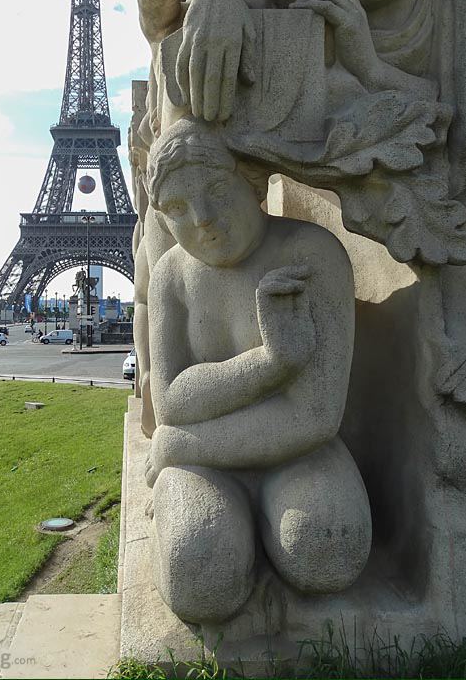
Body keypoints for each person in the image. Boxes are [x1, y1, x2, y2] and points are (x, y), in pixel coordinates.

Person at [144, 118, 371, 623]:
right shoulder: (172, 277)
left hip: (298, 452)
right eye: (177, 209)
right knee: (200, 576)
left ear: (252, 181)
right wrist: (271, 363)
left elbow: (314, 418)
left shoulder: (311, 256)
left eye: (217, 190)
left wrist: (183, 445)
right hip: (206, 466)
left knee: (330, 550)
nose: (201, 219)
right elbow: (172, 401)